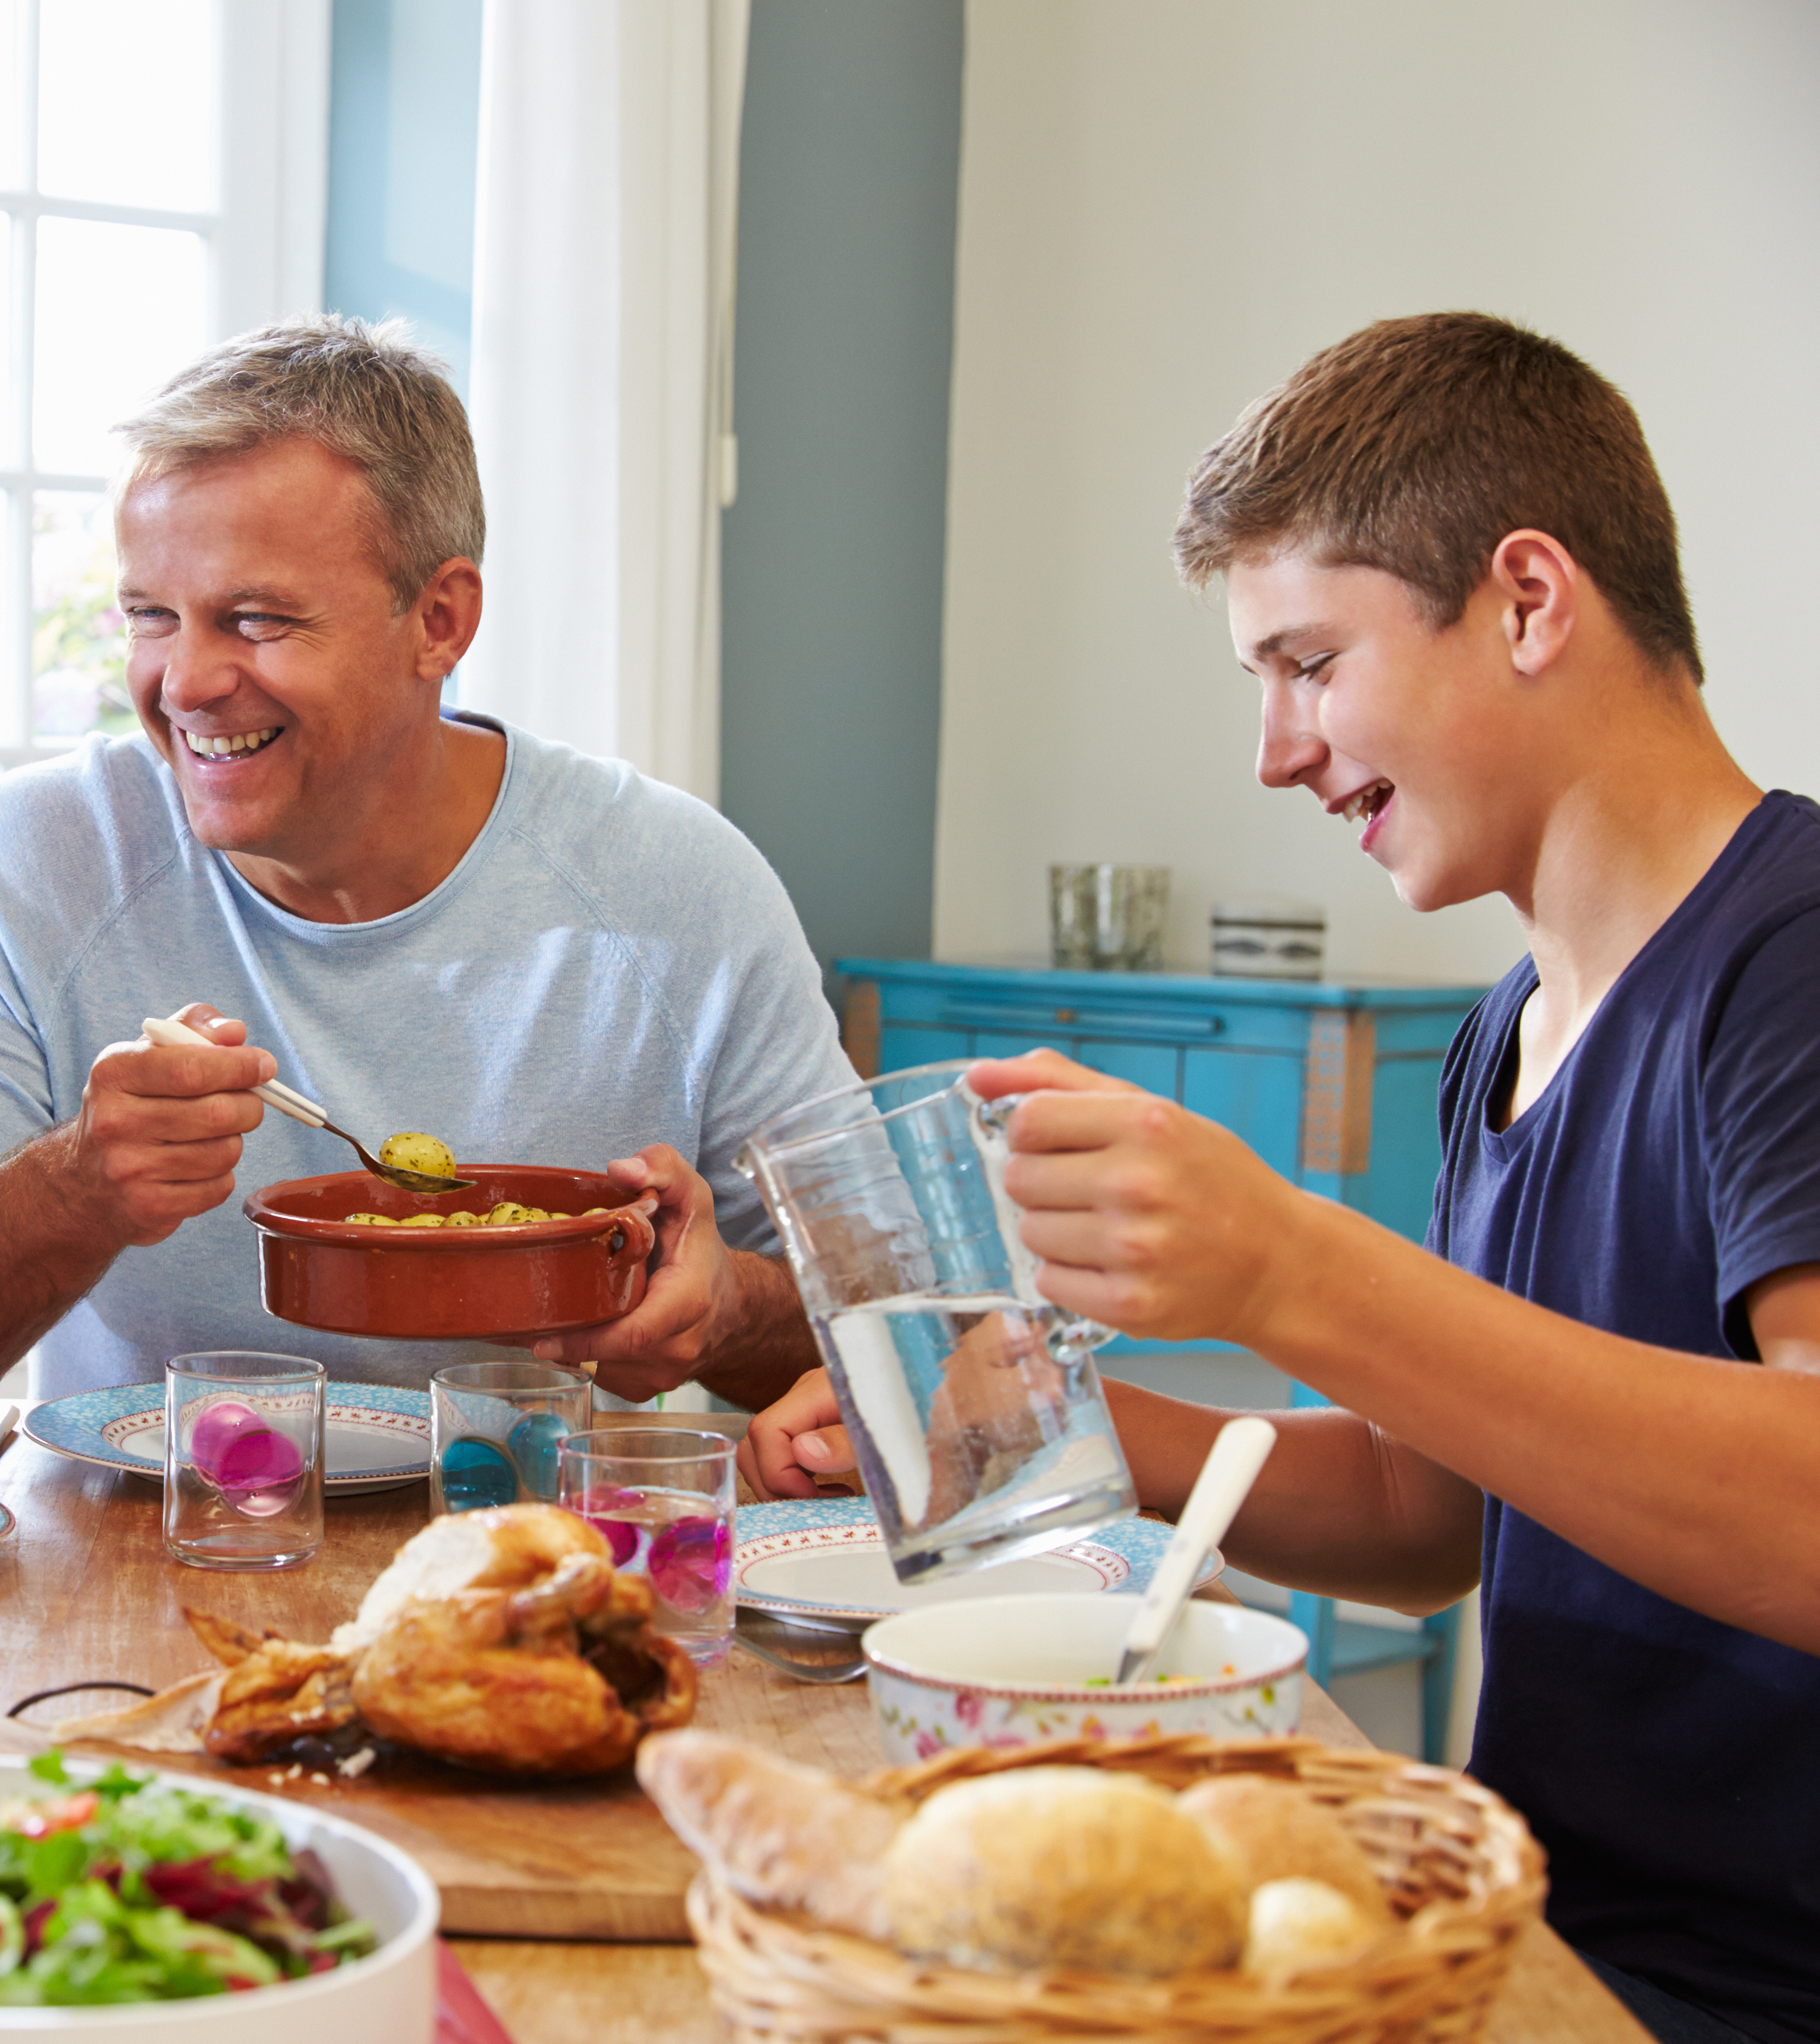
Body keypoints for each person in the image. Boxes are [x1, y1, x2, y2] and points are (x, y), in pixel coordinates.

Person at [741, 314, 1820, 2044]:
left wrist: (1292, 1273)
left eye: (1307, 662)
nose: (1272, 747)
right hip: (1529, 1932)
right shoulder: (1510, 1026)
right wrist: (1036, 1429)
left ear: (1527, 601)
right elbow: (1432, 1519)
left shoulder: (1788, 957)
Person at [0, 317, 853, 1413]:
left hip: (545, 1564)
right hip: (141, 1564)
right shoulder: (33, 859)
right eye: (152, 616)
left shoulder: (676, 888)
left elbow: (909, 1325)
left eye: (255, 620)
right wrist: (76, 1190)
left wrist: (727, 1309)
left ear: (438, 621)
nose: (185, 682)